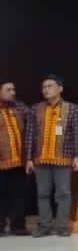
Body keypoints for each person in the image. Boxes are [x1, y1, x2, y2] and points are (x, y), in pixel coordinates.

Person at [28, 75, 78, 237]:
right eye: (44, 87)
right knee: (43, 194)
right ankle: (45, 226)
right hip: (40, 158)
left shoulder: (72, 108)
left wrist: (77, 156)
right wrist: (29, 158)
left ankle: (62, 226)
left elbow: (77, 134)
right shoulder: (36, 109)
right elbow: (30, 135)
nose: (46, 90)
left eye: (50, 86)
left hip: (63, 157)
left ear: (60, 88)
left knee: (63, 193)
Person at [0, 81, 35, 236]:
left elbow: (32, 124)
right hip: (1, 161)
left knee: (19, 195)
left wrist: (29, 157)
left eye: (13, 89)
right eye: (8, 90)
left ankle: (18, 226)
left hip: (19, 160)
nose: (13, 92)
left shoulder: (20, 108)